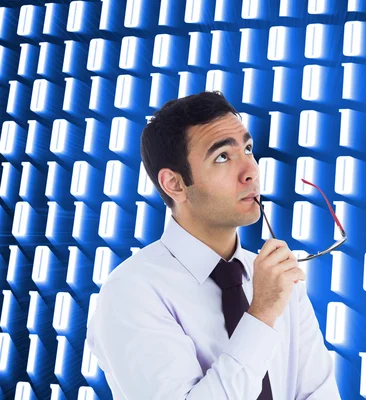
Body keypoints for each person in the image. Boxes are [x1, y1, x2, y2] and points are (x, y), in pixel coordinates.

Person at [86, 91, 341, 399]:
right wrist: (261, 314)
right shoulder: (131, 291)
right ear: (175, 184)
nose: (251, 171)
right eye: (222, 156)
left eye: (248, 149)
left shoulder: (278, 282)